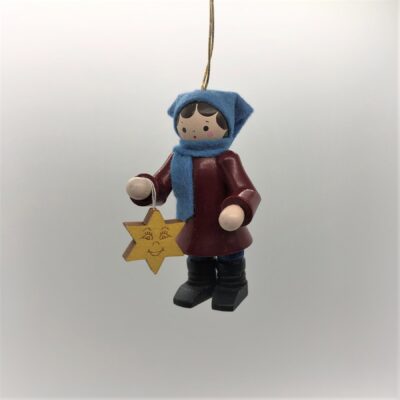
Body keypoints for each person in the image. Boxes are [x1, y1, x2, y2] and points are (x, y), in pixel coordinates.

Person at [126, 89, 261, 311]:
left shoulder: (227, 159)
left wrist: (238, 206)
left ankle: (233, 284)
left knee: (230, 254)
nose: (196, 132)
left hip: (224, 223)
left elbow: (246, 189)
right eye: (186, 126)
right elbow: (161, 184)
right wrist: (147, 187)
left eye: (206, 127)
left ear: (226, 126)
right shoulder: (177, 158)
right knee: (197, 254)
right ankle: (200, 282)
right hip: (193, 223)